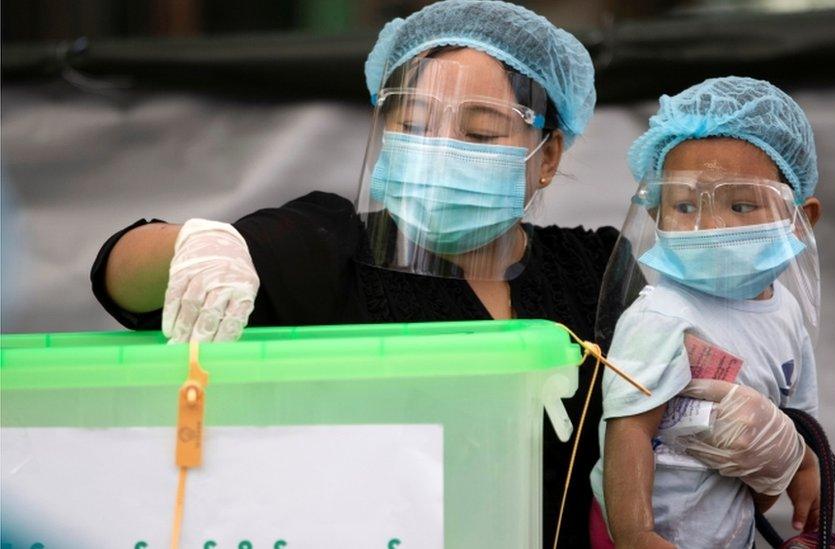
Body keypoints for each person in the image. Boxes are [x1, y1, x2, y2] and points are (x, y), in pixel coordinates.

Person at [90, 1, 611, 546]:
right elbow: (117, 277)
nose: (438, 153)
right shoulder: (326, 246)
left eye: (480, 134)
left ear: (548, 156)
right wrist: (195, 244)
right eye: (412, 125)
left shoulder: (593, 272)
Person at [590, 76, 824, 548]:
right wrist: (635, 532)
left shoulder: (786, 311)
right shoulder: (662, 316)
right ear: (655, 215)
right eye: (684, 204)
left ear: (801, 221)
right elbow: (629, 429)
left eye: (741, 205)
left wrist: (805, 463)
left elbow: (798, 416)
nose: (711, 225)